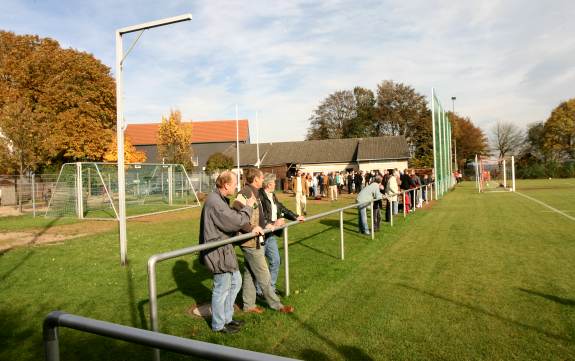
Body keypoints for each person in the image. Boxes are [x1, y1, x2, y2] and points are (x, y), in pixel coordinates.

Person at [199, 171, 263, 334]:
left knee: (236, 282)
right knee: (221, 288)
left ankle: (227, 318)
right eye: (235, 184)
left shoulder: (219, 199)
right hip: (217, 251)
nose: (237, 187)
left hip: (224, 250)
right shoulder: (215, 202)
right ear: (226, 185)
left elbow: (231, 220)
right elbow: (235, 222)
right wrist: (248, 207)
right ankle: (219, 325)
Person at [235, 168, 294, 314]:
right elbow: (237, 214)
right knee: (264, 274)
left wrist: (267, 225)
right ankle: (277, 306)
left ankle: (248, 305)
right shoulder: (244, 193)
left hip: (255, 239)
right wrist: (251, 228)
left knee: (250, 273)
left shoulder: (256, 192)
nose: (263, 180)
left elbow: (259, 215)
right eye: (261, 178)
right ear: (255, 179)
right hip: (250, 241)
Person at [257, 173, 304, 295]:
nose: (275, 184)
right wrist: (273, 223)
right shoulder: (259, 196)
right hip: (261, 235)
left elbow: (281, 208)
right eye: (273, 182)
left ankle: (270, 288)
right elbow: (259, 216)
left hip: (271, 235)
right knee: (259, 266)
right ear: (268, 184)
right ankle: (259, 291)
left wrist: (296, 216)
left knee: (276, 261)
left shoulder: (272, 195)